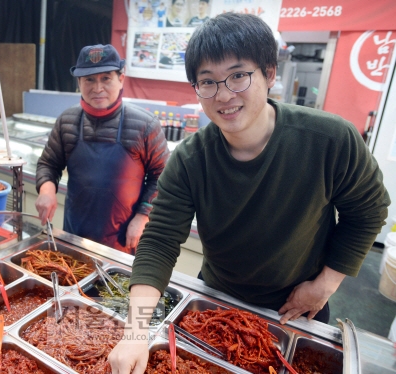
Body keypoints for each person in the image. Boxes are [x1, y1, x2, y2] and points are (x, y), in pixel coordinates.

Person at [108, 13, 390, 373]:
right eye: (207, 82)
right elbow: (160, 240)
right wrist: (135, 333)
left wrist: (325, 285)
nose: (223, 95)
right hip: (216, 301)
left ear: (269, 73)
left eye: (238, 76)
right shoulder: (191, 158)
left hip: (299, 305)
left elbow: (368, 211)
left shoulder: (329, 139)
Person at [35, 44, 169, 254]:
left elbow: (163, 177)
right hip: (74, 235)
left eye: (106, 78)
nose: (97, 88)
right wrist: (47, 190)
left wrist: (144, 215)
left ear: (121, 79)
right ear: (79, 82)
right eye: (89, 79)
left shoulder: (146, 124)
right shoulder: (67, 120)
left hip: (124, 239)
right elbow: (48, 163)